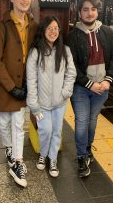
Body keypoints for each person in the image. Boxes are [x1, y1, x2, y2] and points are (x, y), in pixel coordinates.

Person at [0, 0, 38, 188]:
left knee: (18, 124)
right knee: (4, 124)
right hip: (4, 85)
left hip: (23, 85)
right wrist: (11, 86)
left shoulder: (34, 26)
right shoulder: (2, 27)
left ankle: (17, 162)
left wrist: (29, 84)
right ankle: (9, 149)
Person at [67, 0, 113, 178]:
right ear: (79, 12)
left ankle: (88, 148)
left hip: (102, 88)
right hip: (81, 88)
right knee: (81, 122)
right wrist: (90, 84)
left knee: (92, 121)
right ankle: (81, 157)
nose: (90, 13)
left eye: (93, 9)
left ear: (98, 11)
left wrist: (107, 80)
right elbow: (71, 66)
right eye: (86, 9)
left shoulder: (106, 32)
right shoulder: (72, 36)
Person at [26, 16, 76, 177]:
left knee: (56, 130)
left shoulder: (65, 51)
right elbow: (31, 79)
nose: (53, 31)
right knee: (45, 130)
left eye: (56, 28)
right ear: (43, 31)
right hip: (41, 104)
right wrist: (33, 104)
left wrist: (65, 93)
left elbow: (71, 74)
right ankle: (43, 154)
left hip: (59, 103)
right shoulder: (35, 52)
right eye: (49, 28)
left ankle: (52, 158)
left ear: (59, 31)